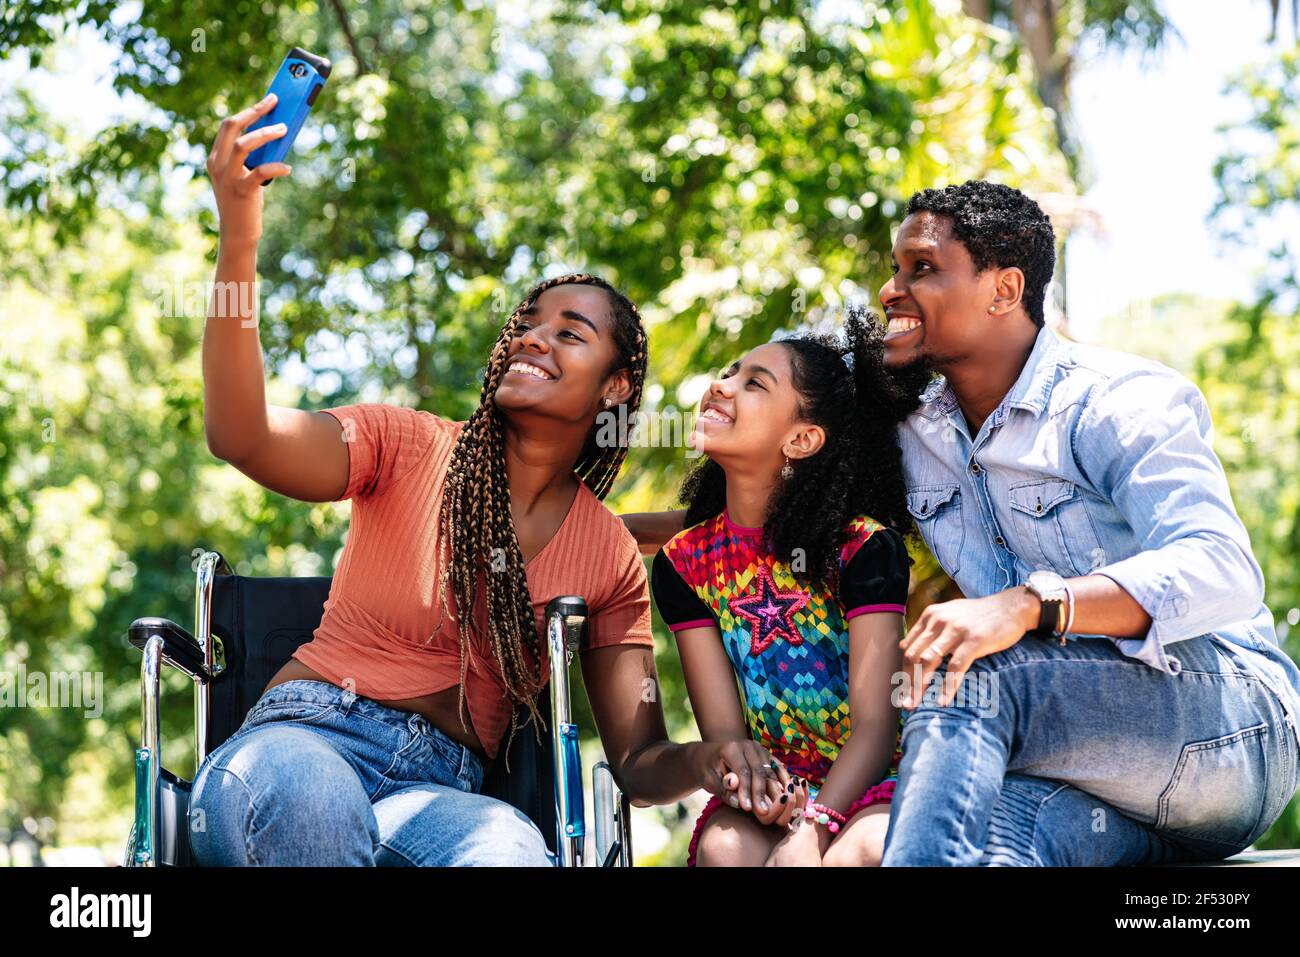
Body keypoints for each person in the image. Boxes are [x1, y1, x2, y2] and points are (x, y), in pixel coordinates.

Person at [622, 180, 1300, 866]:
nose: (891, 289)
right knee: (968, 847)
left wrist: (1028, 606)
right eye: (894, 268)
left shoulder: (1116, 401)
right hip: (1083, 784)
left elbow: (1222, 567)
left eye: (921, 267)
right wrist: (597, 533)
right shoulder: (920, 433)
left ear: (1003, 290)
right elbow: (776, 503)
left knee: (970, 668)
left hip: (1226, 735)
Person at [187, 93, 752, 866]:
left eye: (570, 332)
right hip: (302, 739)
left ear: (616, 386)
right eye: (527, 323)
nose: (533, 338)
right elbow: (240, 433)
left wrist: (710, 758)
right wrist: (239, 235)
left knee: (511, 850)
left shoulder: (604, 554)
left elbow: (639, 760)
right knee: (311, 804)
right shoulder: (403, 444)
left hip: (443, 792)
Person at [649, 310, 923, 866]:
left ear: (801, 439)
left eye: (753, 383)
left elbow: (876, 726)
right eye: (729, 372)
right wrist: (762, 793)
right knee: (724, 850)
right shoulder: (684, 564)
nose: (720, 386)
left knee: (862, 853)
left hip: (881, 777)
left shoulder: (861, 548)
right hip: (774, 789)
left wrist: (815, 827)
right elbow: (728, 735)